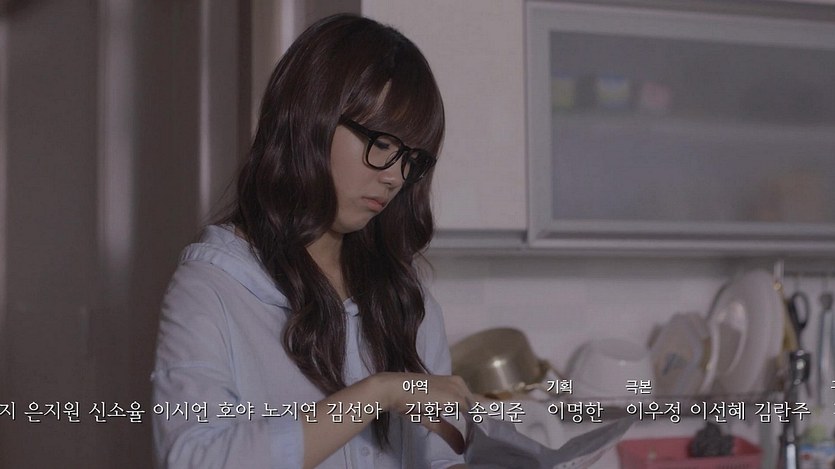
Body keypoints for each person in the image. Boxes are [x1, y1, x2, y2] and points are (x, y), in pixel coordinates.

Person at [151, 13, 473, 469]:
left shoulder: (404, 295)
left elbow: (439, 458)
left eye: (411, 158)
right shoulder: (212, 287)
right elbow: (193, 458)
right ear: (310, 120)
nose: (395, 177)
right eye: (382, 144)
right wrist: (377, 393)